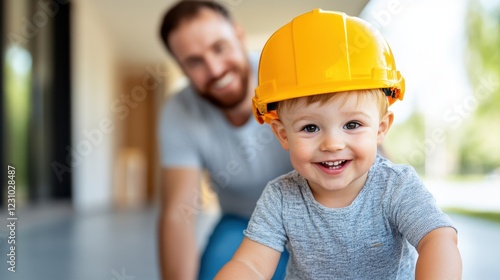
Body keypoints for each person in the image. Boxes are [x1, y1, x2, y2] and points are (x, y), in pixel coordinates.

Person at [216, 9, 462, 279]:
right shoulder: (281, 198)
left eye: (352, 125)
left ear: (381, 128)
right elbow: (249, 266)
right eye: (310, 127)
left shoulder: (396, 187)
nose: (332, 144)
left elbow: (437, 239)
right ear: (283, 134)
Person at [156, 1, 293, 279]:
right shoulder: (179, 111)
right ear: (182, 69)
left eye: (219, 48)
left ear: (239, 36)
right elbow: (178, 213)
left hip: (315, 215)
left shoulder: (288, 78)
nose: (215, 69)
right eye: (195, 62)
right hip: (243, 222)